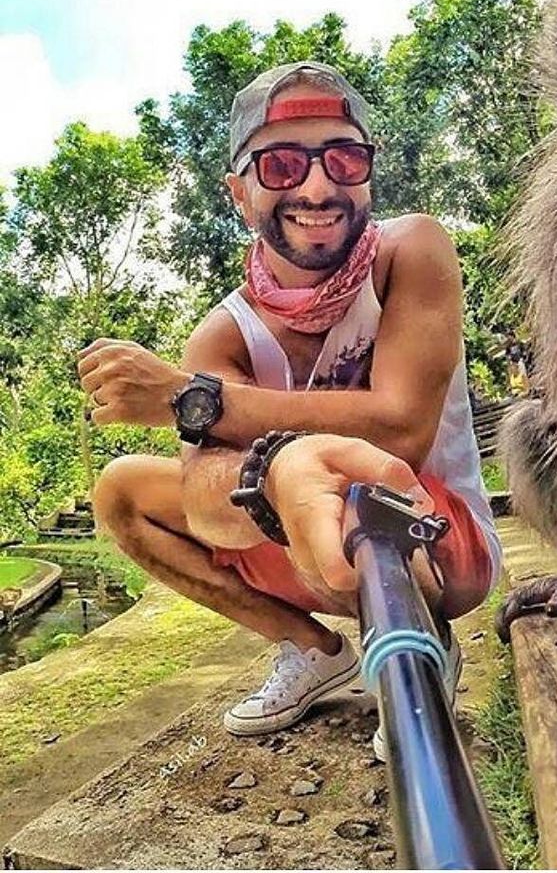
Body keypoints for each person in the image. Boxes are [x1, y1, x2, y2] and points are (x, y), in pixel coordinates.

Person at [79, 61, 501, 753]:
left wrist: (195, 400)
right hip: (298, 539)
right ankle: (313, 652)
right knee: (123, 490)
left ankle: (418, 641)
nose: (317, 186)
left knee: (355, 476)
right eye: (279, 166)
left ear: (367, 172)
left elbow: (404, 428)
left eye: (343, 157)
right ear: (239, 195)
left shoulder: (410, 250)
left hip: (434, 538)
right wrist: (276, 472)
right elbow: (211, 501)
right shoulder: (223, 332)